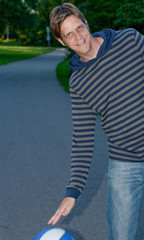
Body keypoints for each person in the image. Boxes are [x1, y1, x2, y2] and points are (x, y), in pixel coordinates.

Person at [48, 3, 144, 240]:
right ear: (62, 41)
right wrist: (73, 191)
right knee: (122, 236)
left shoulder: (129, 41)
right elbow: (82, 140)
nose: (78, 37)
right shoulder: (79, 83)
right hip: (126, 163)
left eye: (79, 28)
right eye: (69, 34)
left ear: (86, 24)